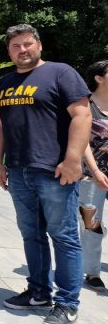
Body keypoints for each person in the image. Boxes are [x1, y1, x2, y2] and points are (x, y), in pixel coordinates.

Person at [0, 24, 91, 324]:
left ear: (39, 45)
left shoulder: (61, 73)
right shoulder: (5, 82)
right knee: (31, 235)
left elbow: (82, 114)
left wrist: (73, 159)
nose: (22, 50)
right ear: (9, 52)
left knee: (64, 236)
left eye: (27, 44)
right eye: (15, 46)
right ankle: (38, 291)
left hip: (54, 171)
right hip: (19, 172)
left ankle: (67, 302)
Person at [78, 60, 108, 292]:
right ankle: (92, 272)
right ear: (98, 78)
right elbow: (81, 141)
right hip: (92, 176)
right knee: (92, 224)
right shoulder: (86, 105)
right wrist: (95, 170)